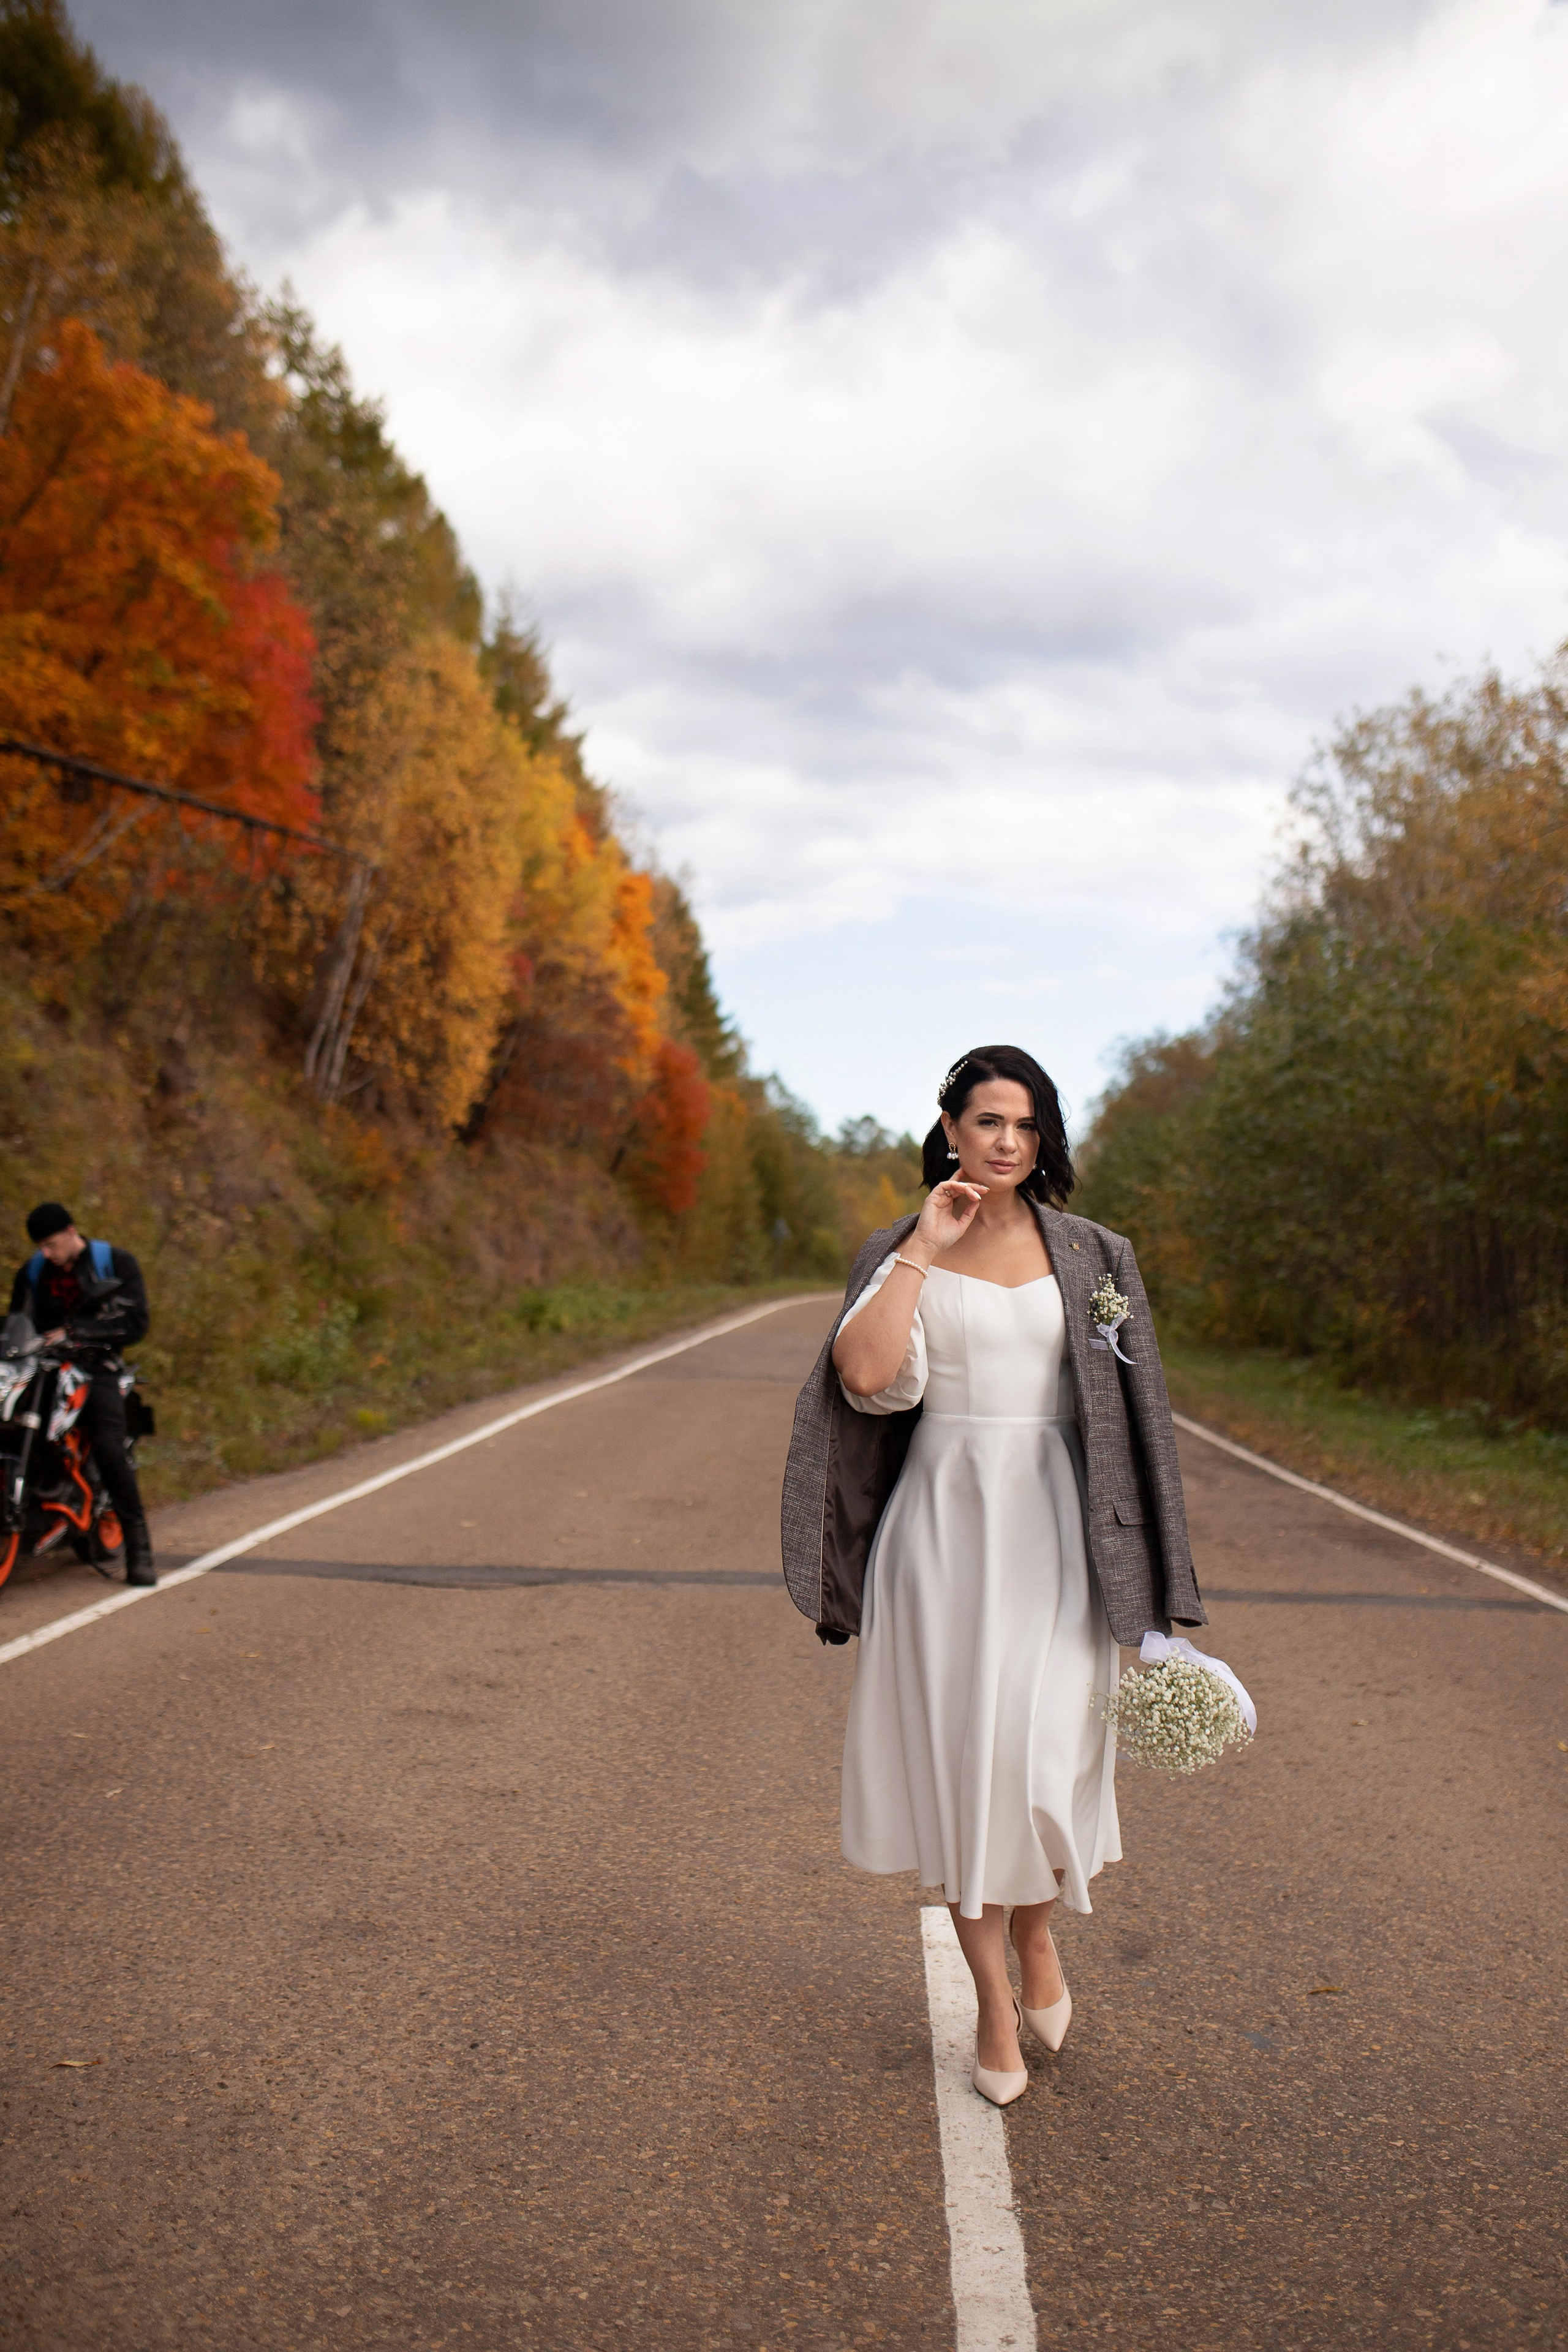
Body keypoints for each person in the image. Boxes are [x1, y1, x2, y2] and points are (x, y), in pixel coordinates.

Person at [780, 1046, 1205, 2107]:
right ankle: (990, 2003)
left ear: (1046, 1135)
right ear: (952, 1128)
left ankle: (1041, 1940)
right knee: (969, 1766)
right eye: (986, 1123)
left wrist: (1159, 1581)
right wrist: (926, 1246)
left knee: (1050, 1755)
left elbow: (1142, 1420)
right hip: (944, 1531)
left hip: (1063, 1529)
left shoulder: (1099, 1254)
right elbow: (868, 1378)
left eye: (1025, 1125)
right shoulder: (901, 1249)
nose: (1006, 1142)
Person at [9, 1202, 156, 1586]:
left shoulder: (116, 1264)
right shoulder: (34, 1272)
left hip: (96, 1368)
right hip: (42, 1369)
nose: (46, 1253)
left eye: (52, 1244)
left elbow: (137, 1323)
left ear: (72, 1233)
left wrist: (77, 1333)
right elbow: (14, 1321)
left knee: (109, 1447)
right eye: (40, 1246)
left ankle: (140, 1550)